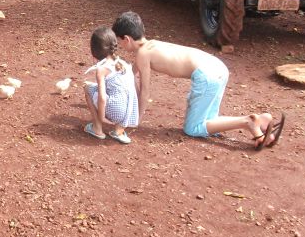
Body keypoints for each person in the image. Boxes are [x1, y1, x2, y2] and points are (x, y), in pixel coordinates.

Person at [111, 11, 284, 150]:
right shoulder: (151, 45)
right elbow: (131, 74)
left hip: (206, 76)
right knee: (209, 120)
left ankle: (248, 122)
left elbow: (145, 91)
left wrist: (135, 119)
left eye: (119, 42)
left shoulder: (143, 54)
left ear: (127, 39)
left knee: (193, 128)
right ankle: (262, 120)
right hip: (218, 67)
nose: (121, 47)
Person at [82, 26, 139, 144]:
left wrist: (102, 117)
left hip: (115, 111)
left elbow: (102, 98)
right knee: (119, 93)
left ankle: (97, 128)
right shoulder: (124, 64)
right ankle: (119, 131)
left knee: (88, 88)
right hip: (128, 113)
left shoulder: (102, 69)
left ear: (94, 50)